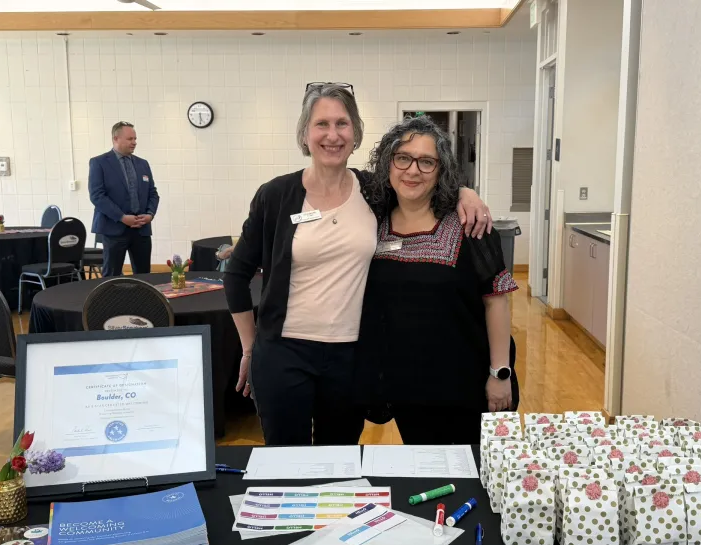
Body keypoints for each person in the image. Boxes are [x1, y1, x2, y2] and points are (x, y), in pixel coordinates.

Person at [224, 83, 492, 446]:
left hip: (351, 358)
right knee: (285, 463)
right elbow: (236, 275)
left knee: (340, 463)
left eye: (342, 124)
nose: (332, 135)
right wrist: (250, 348)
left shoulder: (374, 192)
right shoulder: (276, 195)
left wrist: (465, 191)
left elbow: (419, 183)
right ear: (305, 133)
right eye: (321, 124)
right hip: (284, 355)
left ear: (356, 133)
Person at [355, 115, 519, 445]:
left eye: (426, 162)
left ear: (441, 170)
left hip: (467, 385)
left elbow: (496, 300)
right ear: (388, 163)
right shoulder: (372, 222)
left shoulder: (469, 225)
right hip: (406, 388)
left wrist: (500, 373)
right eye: (403, 158)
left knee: (476, 477)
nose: (412, 170)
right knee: (425, 474)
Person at [89, 121, 160, 277]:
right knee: (112, 276)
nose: (134, 142)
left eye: (135, 139)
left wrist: (150, 214)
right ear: (116, 139)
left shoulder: (142, 164)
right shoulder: (99, 163)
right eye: (130, 139)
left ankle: (142, 302)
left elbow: (153, 193)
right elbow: (97, 196)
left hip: (141, 229)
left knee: (144, 276)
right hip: (114, 229)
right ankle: (109, 302)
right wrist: (121, 217)